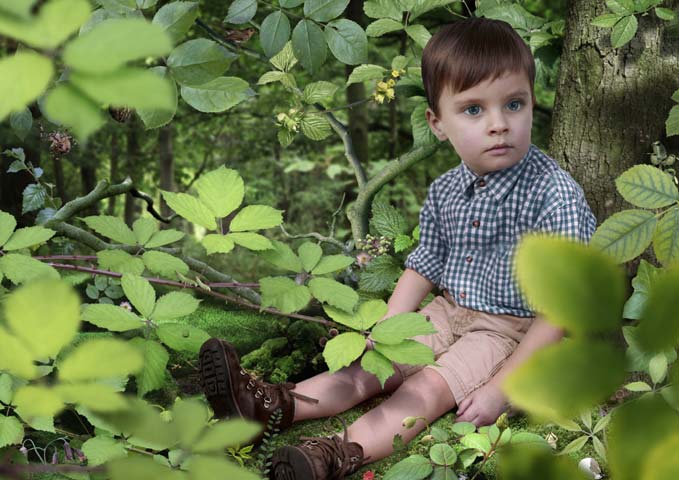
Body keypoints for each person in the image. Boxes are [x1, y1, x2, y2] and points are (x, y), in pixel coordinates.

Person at [199, 16, 596, 480]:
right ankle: (269, 406)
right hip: (448, 310)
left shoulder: (553, 196)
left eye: (514, 104)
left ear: (531, 103)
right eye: (473, 110)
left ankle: (333, 454)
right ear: (438, 123)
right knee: (371, 368)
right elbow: (424, 266)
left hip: (508, 331)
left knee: (427, 387)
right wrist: (384, 333)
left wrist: (501, 389)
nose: (498, 125)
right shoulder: (448, 189)